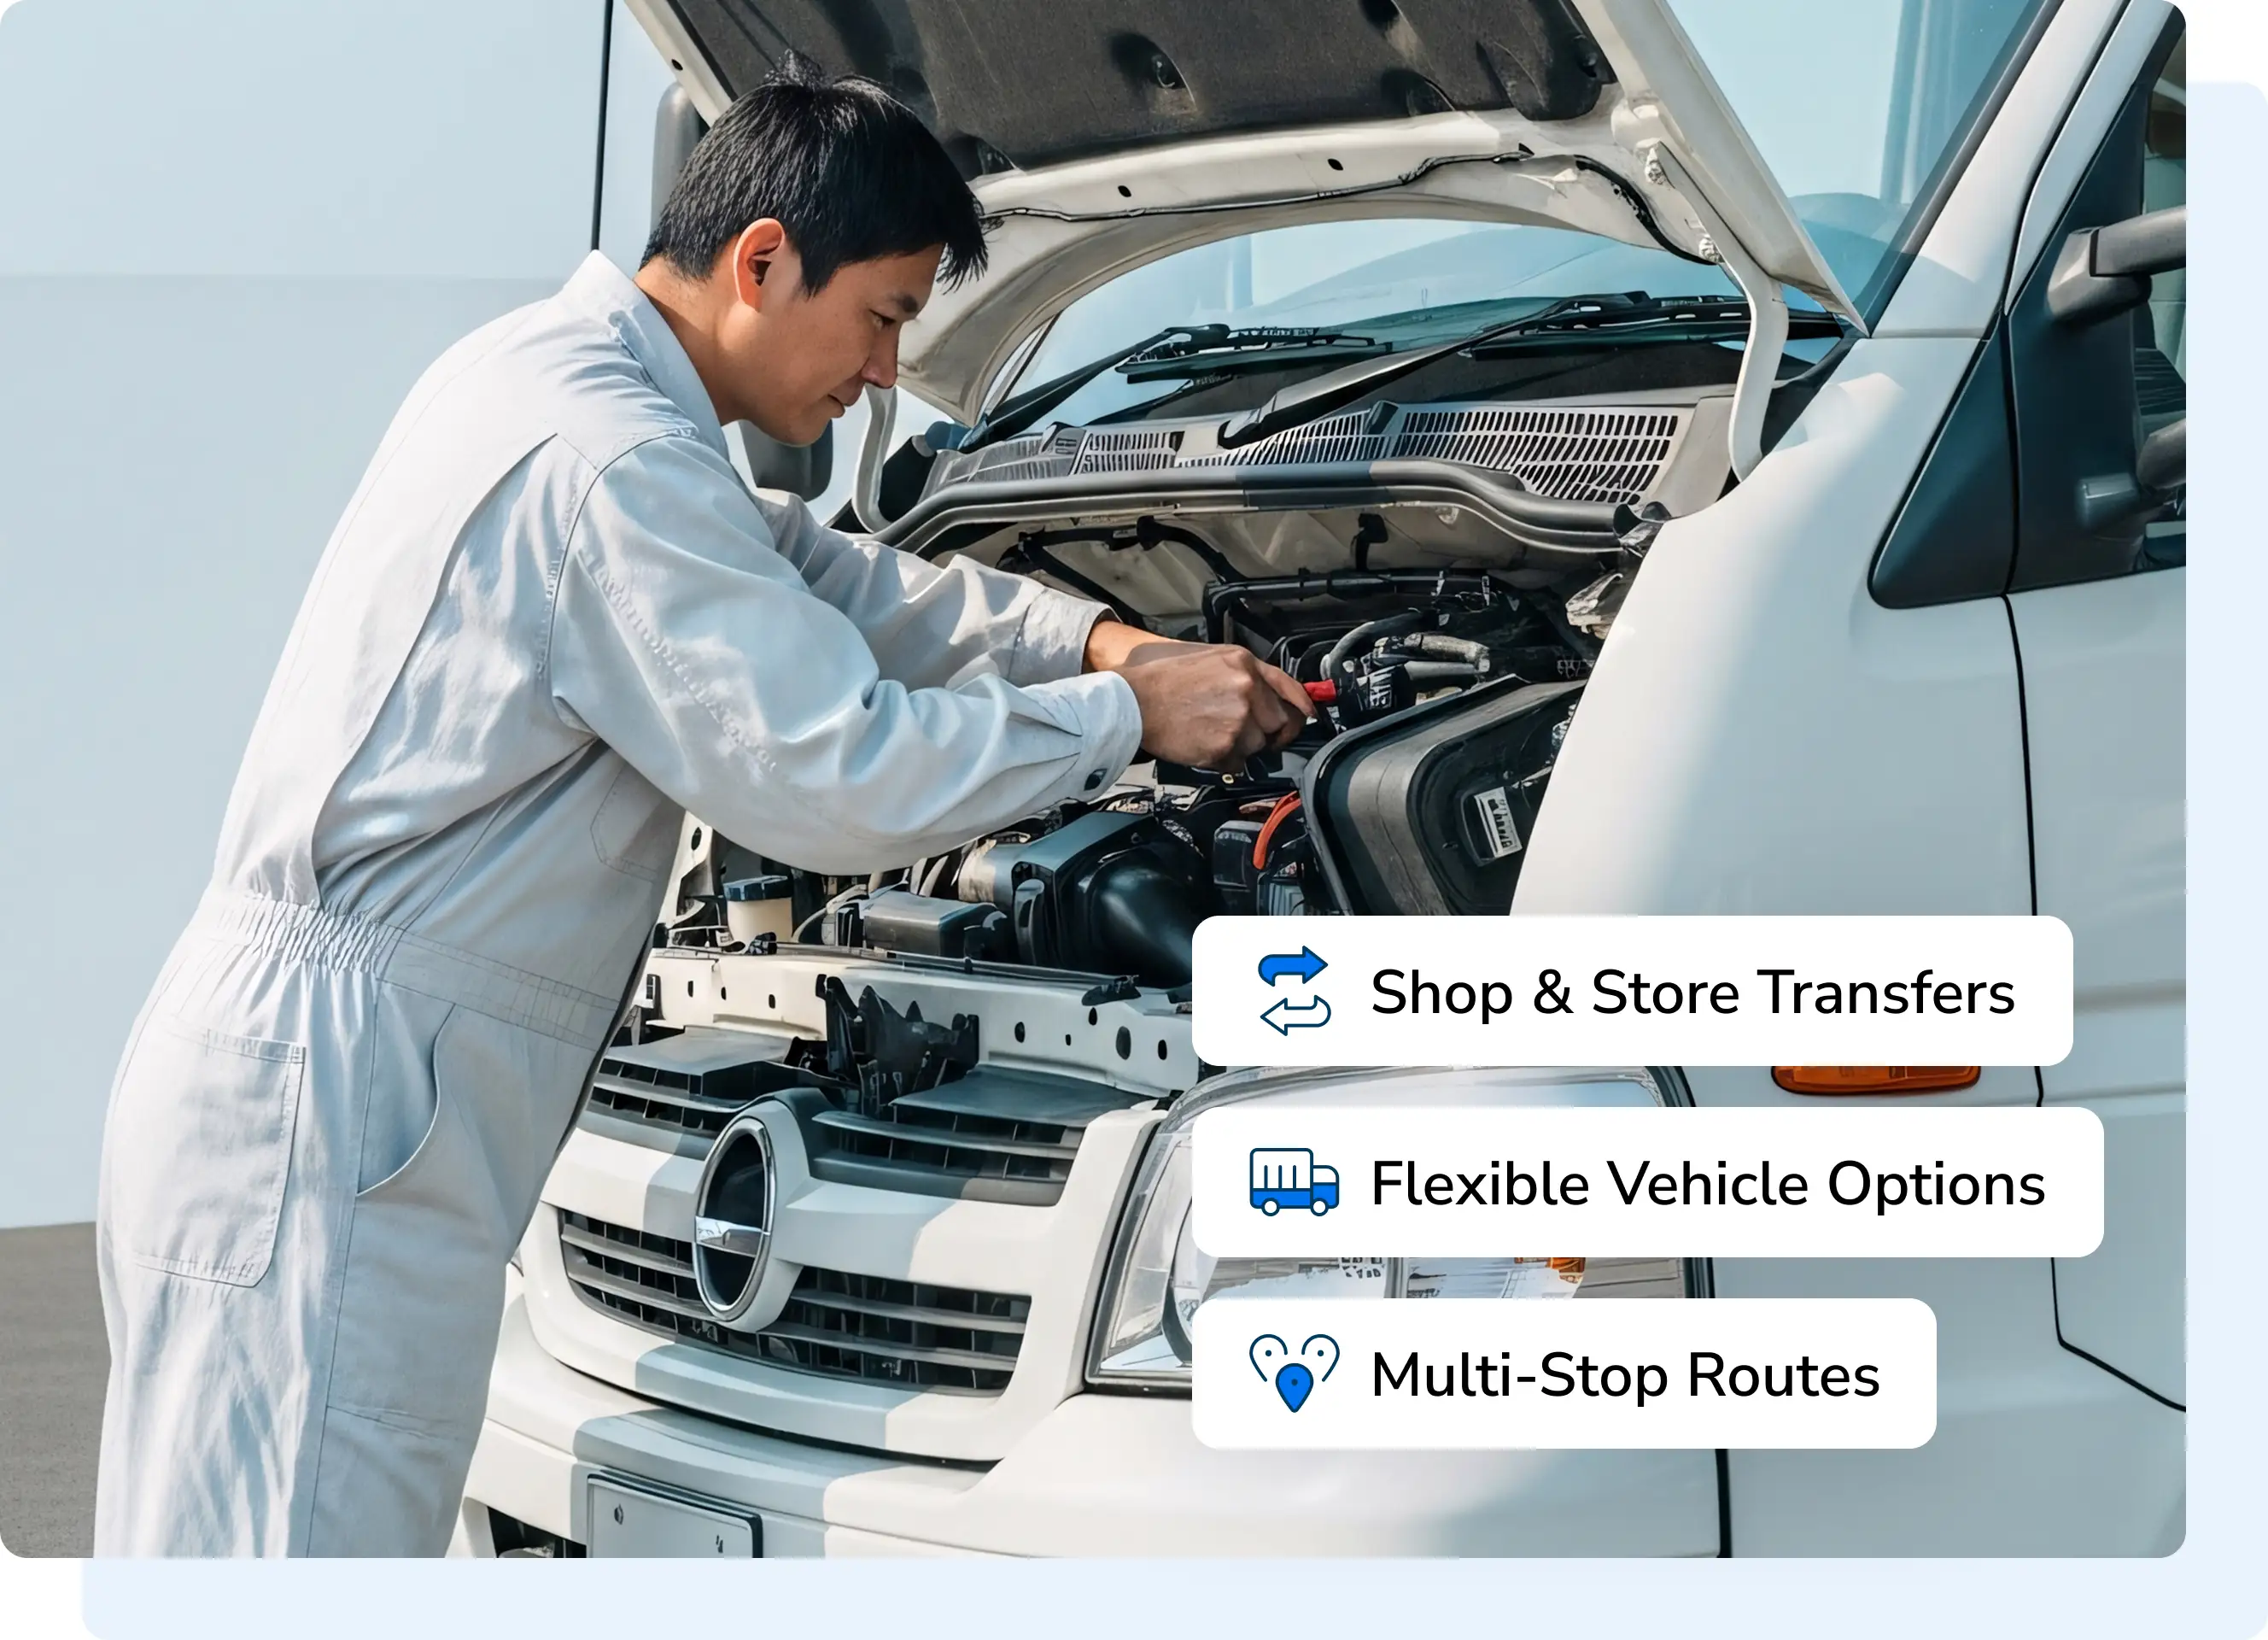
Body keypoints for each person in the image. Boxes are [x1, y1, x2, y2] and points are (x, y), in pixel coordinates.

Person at [91, 60, 1310, 1557]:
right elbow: (835, 772)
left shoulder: (560, 386)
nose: (882, 373)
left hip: (316, 1079)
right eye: (882, 319)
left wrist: (1097, 638)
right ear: (760, 262)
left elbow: (835, 576)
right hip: (344, 1104)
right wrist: (1122, 719)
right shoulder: (614, 465)